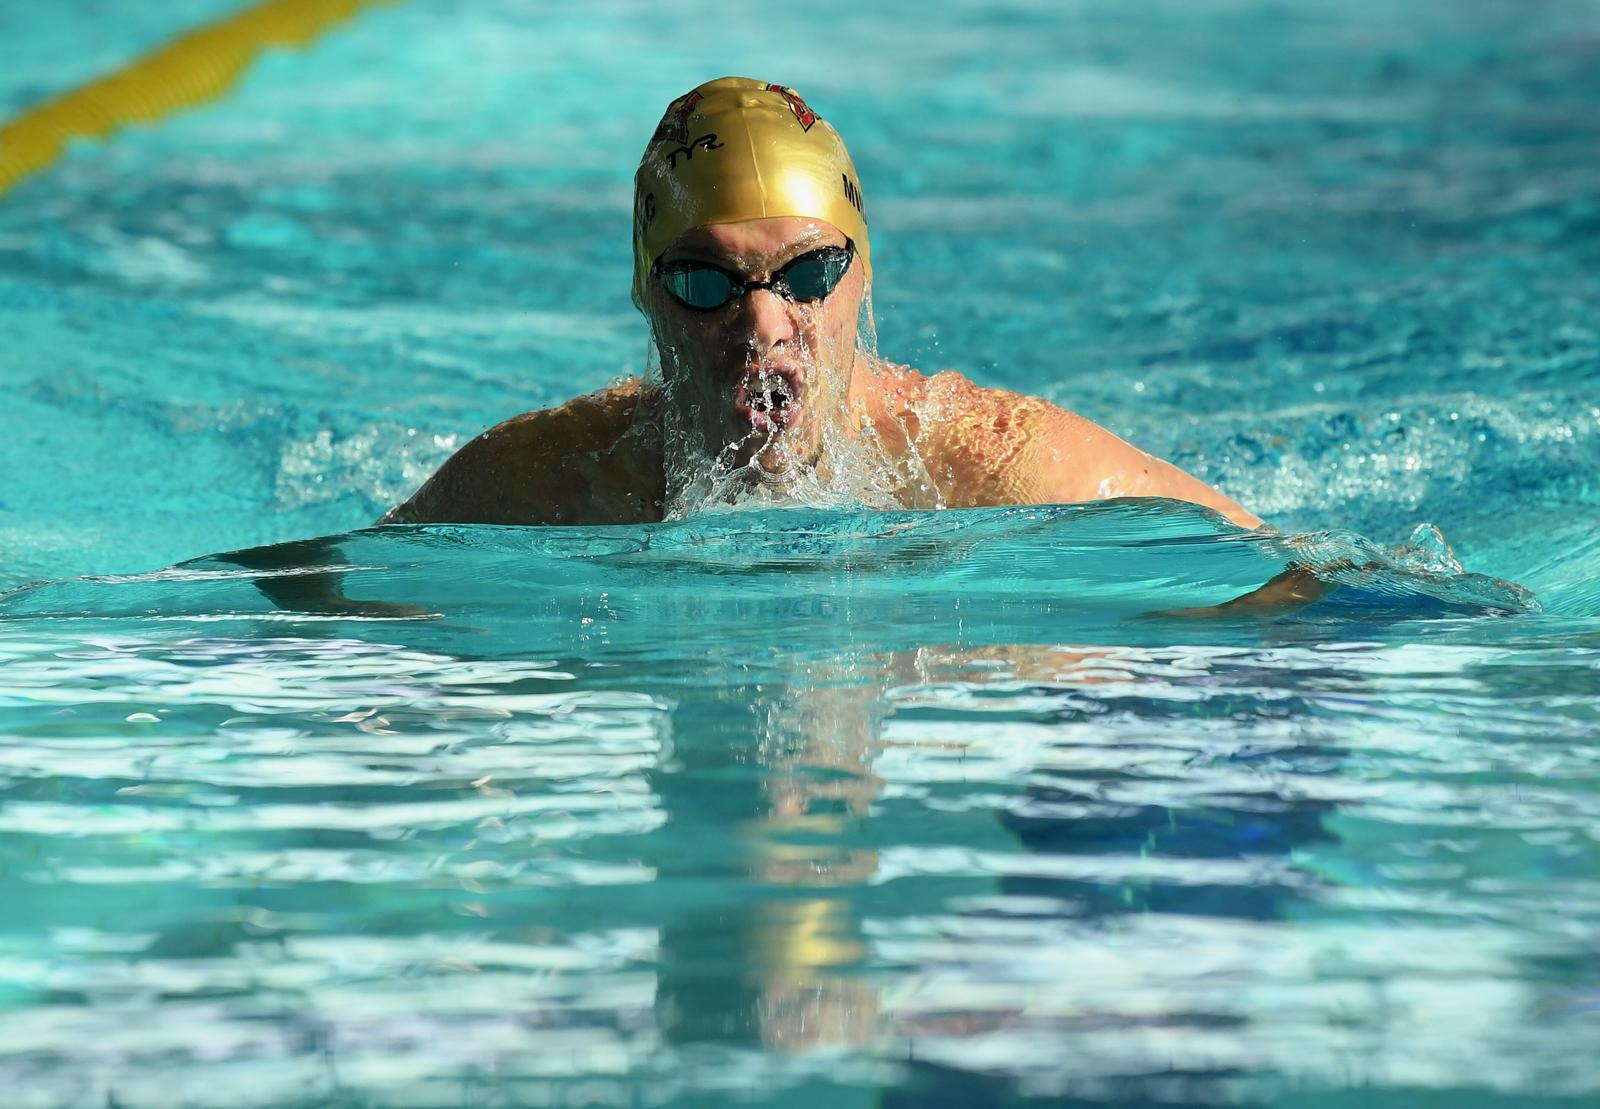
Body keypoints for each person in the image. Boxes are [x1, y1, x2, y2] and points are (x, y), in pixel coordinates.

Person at [377, 77, 1263, 532]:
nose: (764, 326)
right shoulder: (552, 480)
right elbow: (316, 608)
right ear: (648, 299)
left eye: (806, 275)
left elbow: (1288, 579)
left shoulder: (991, 469)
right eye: (704, 283)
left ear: (862, 277)